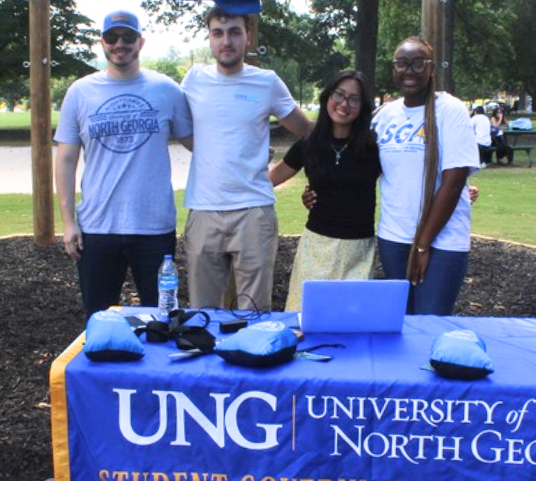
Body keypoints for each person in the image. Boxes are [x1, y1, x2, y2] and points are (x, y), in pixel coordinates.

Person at [54, 10, 193, 319]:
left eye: (128, 37)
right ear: (102, 42)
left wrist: (249, 147)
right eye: (113, 37)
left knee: (162, 319)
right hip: (97, 227)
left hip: (154, 228)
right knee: (98, 320)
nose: (121, 44)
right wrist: (67, 222)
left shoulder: (167, 90)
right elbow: (65, 159)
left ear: (140, 42)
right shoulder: (80, 92)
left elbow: (197, 143)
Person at [181, 4, 310, 310]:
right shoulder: (193, 80)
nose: (226, 41)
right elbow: (179, 129)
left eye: (234, 32)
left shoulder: (267, 82)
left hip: (253, 213)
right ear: (210, 39)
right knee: (203, 315)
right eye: (218, 33)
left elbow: (306, 132)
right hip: (203, 211)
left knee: (254, 315)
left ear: (248, 37)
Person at [371, 36, 478, 315]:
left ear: (431, 69)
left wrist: (422, 244)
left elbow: (453, 182)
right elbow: (358, 168)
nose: (409, 71)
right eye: (402, 64)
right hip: (394, 238)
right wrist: (318, 193)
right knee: (400, 324)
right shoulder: (384, 116)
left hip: (442, 241)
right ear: (394, 69)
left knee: (429, 323)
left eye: (418, 63)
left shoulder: (451, 110)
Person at [269, 71, 381, 311]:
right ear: (327, 97)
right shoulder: (309, 142)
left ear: (362, 107)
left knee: (351, 326)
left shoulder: (372, 146)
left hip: (358, 251)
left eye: (354, 99)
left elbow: (405, 179)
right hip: (316, 248)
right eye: (339, 95)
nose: (344, 104)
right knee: (305, 320)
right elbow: (269, 180)